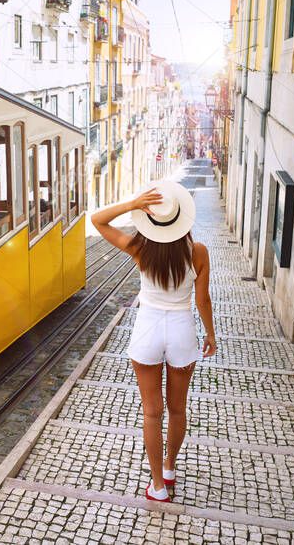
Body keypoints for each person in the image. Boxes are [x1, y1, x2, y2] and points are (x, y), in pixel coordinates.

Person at [91, 182, 216, 503]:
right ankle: (171, 468)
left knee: (151, 413)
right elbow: (203, 300)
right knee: (177, 409)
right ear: (182, 219)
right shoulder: (198, 252)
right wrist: (211, 334)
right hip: (182, 332)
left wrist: (133, 203)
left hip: (147, 331)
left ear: (152, 222)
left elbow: (98, 220)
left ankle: (158, 485)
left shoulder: (140, 248)